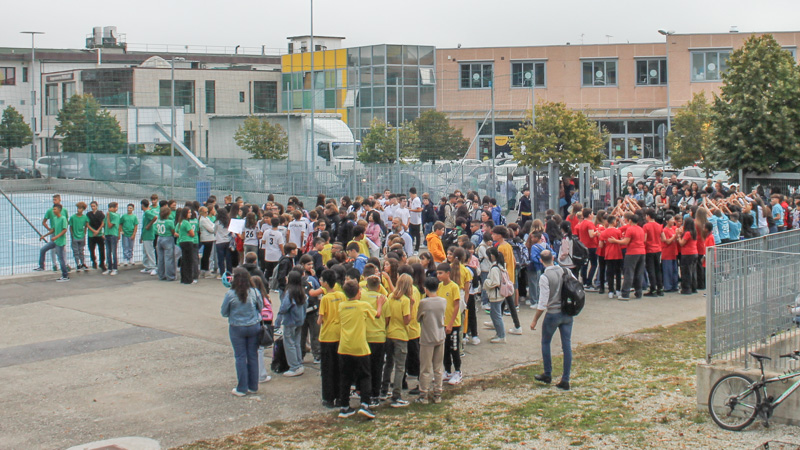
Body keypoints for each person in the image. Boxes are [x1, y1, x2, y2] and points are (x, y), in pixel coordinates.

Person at [530, 250, 573, 391]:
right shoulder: (566, 271)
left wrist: (535, 319)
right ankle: (565, 378)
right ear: (553, 258)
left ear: (541, 261)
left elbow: (542, 302)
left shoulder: (545, 277)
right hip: (567, 312)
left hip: (553, 313)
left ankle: (548, 373)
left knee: (546, 342)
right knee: (566, 345)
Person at [336, 279, 377, 420]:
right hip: (360, 346)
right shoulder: (363, 305)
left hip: (345, 346)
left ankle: (344, 406)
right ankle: (365, 403)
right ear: (359, 292)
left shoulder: (341, 306)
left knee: (345, 377)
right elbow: (376, 315)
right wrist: (380, 304)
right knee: (365, 375)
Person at [220, 268, 263, 396]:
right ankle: (253, 386)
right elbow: (260, 307)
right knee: (252, 356)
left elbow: (224, 312)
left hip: (237, 327)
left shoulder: (230, 294)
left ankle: (242, 387)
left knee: (240, 357)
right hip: (253, 326)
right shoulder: (254, 292)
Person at [382, 273, 413, 407]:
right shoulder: (406, 300)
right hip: (401, 334)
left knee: (389, 363)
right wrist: (412, 306)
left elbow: (387, 317)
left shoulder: (390, 297)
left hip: (390, 333)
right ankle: (396, 395)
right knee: (400, 366)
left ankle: (383, 390)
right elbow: (407, 320)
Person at [416, 276, 447, 404]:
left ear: (425, 289)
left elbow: (418, 318)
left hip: (427, 337)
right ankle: (438, 393)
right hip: (440, 336)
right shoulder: (443, 301)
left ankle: (424, 394)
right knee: (438, 367)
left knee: (425, 368)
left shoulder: (424, 303)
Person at [318, 269, 346, 408]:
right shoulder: (341, 295)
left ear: (325, 283)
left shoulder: (325, 299)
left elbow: (320, 319)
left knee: (328, 368)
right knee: (340, 367)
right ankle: (341, 396)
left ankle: (328, 398)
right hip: (340, 334)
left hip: (327, 335)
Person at [276, 270, 307, 377]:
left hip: (290, 321)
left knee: (289, 343)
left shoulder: (289, 292)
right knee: (297, 342)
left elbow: (284, 307)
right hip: (300, 320)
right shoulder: (301, 291)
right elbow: (305, 305)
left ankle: (294, 366)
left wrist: (277, 321)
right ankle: (299, 362)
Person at [34, 203, 70, 282]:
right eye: (53, 209)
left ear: (59, 210)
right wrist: (44, 235)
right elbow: (53, 229)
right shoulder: (55, 219)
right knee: (43, 249)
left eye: (55, 209)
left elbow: (64, 230)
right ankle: (41, 266)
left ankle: (65, 275)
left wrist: (56, 237)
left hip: (60, 242)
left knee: (61, 259)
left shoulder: (63, 218)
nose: (53, 210)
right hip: (55, 241)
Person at [42, 194, 68, 272]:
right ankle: (54, 264)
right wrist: (49, 230)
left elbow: (66, 222)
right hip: (54, 233)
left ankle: (65, 265)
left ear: (60, 200)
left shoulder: (64, 211)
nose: (54, 201)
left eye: (55, 200)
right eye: (53, 200)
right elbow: (44, 222)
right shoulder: (50, 211)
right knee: (52, 249)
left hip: (61, 234)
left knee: (63, 250)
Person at [155, 206, 178, 282]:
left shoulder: (158, 221)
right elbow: (173, 232)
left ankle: (161, 275)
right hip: (168, 238)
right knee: (169, 258)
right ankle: (170, 276)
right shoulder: (169, 222)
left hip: (160, 238)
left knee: (160, 258)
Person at [176, 207, 197, 285]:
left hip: (182, 242)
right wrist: (190, 233)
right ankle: (189, 279)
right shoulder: (186, 222)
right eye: (189, 213)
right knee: (189, 261)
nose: (190, 214)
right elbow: (192, 233)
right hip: (188, 242)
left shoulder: (180, 222)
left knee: (184, 261)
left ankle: (184, 278)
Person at [68, 202, 90, 272]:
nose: (78, 210)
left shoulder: (85, 217)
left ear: (83, 209)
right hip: (75, 236)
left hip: (82, 236)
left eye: (80, 208)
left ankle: (83, 263)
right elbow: (70, 227)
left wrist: (84, 233)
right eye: (78, 208)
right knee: (76, 251)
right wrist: (72, 234)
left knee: (81, 250)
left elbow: (86, 225)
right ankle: (77, 264)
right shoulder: (73, 217)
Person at [86, 201, 106, 271]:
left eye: (94, 206)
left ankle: (102, 263)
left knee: (102, 249)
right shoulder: (88, 214)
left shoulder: (100, 214)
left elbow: (103, 223)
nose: (93, 208)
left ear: (97, 206)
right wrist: (94, 231)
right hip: (91, 235)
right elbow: (87, 224)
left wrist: (98, 231)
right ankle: (94, 262)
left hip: (99, 234)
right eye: (91, 206)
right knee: (91, 249)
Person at [140, 199, 158, 275]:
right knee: (145, 251)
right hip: (145, 234)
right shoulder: (146, 212)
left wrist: (149, 225)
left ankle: (153, 267)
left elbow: (155, 217)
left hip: (149, 234)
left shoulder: (147, 212)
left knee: (150, 251)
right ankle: (147, 266)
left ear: (142, 205)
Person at [103, 202, 121, 276]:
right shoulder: (107, 215)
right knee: (108, 252)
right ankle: (109, 268)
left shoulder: (116, 216)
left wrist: (108, 217)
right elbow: (104, 224)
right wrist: (103, 233)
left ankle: (115, 268)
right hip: (107, 234)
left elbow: (110, 225)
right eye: (109, 207)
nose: (110, 209)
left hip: (113, 235)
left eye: (112, 207)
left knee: (114, 252)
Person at [408, 187, 423, 253]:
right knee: (411, 235)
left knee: (417, 235)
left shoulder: (417, 200)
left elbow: (419, 209)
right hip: (412, 220)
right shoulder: (412, 200)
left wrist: (410, 210)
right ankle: (411, 247)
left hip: (416, 221)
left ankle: (416, 249)